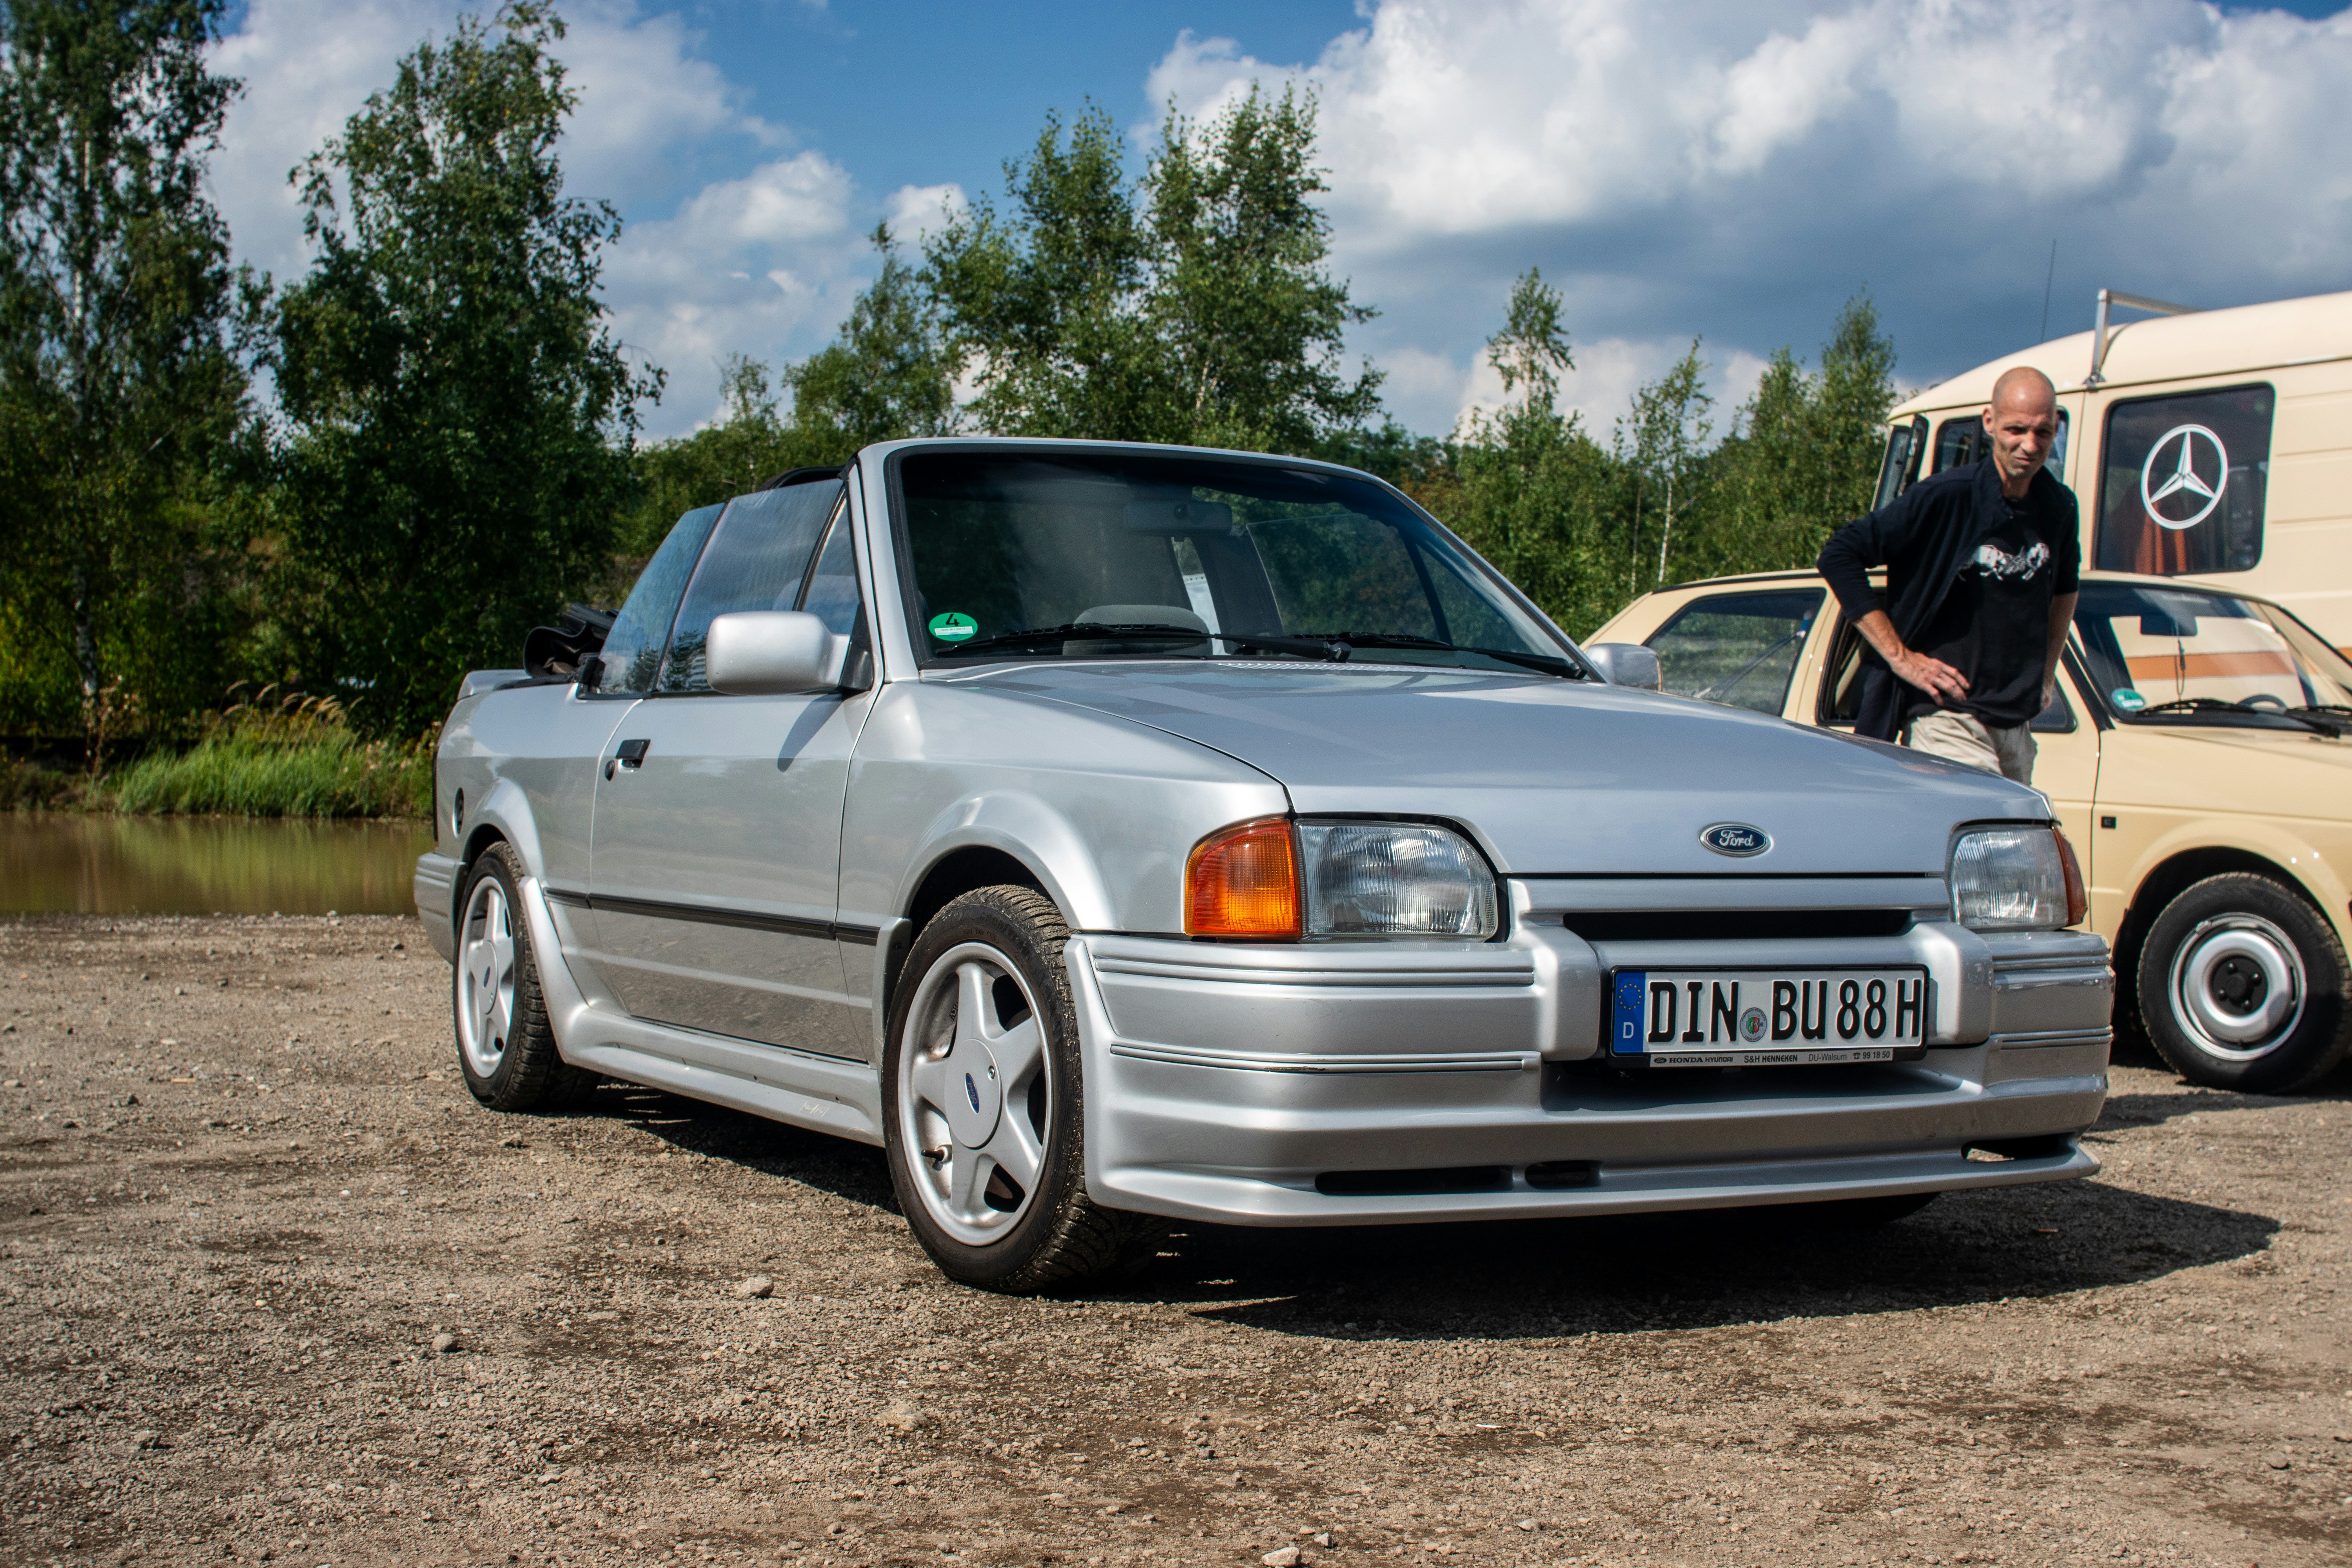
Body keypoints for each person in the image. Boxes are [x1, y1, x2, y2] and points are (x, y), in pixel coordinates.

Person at [1817, 365, 2079, 786]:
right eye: (2016, 430)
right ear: (1989, 422)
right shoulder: (1946, 497)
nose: (2029, 446)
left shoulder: (2058, 506)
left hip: (2014, 719)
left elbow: (2066, 588)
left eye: (2043, 433)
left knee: (2008, 845)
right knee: (1976, 824)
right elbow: (1839, 555)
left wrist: (2046, 674)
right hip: (1946, 716)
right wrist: (1903, 659)